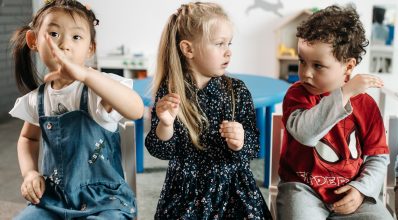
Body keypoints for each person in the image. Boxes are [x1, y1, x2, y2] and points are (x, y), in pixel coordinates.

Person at [9, 0, 144, 219]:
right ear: (33, 40)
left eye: (76, 37)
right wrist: (30, 173)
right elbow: (28, 139)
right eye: (53, 33)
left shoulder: (97, 88)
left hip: (105, 202)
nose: (64, 44)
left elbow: (136, 109)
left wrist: (86, 75)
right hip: (53, 200)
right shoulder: (38, 99)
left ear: (90, 48)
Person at [144, 2, 272, 219]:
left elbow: (253, 146)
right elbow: (161, 151)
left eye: (229, 43)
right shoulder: (170, 91)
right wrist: (165, 124)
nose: (228, 51)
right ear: (188, 49)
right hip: (185, 194)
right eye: (219, 43)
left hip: (233, 190)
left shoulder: (237, 91)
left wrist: (240, 141)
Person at [277, 5, 392, 220]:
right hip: (302, 189)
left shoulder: (366, 105)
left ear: (348, 67)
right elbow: (306, 134)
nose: (306, 73)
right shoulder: (297, 95)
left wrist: (361, 190)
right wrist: (344, 93)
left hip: (351, 190)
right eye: (302, 61)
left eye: (318, 66)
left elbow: (377, 157)